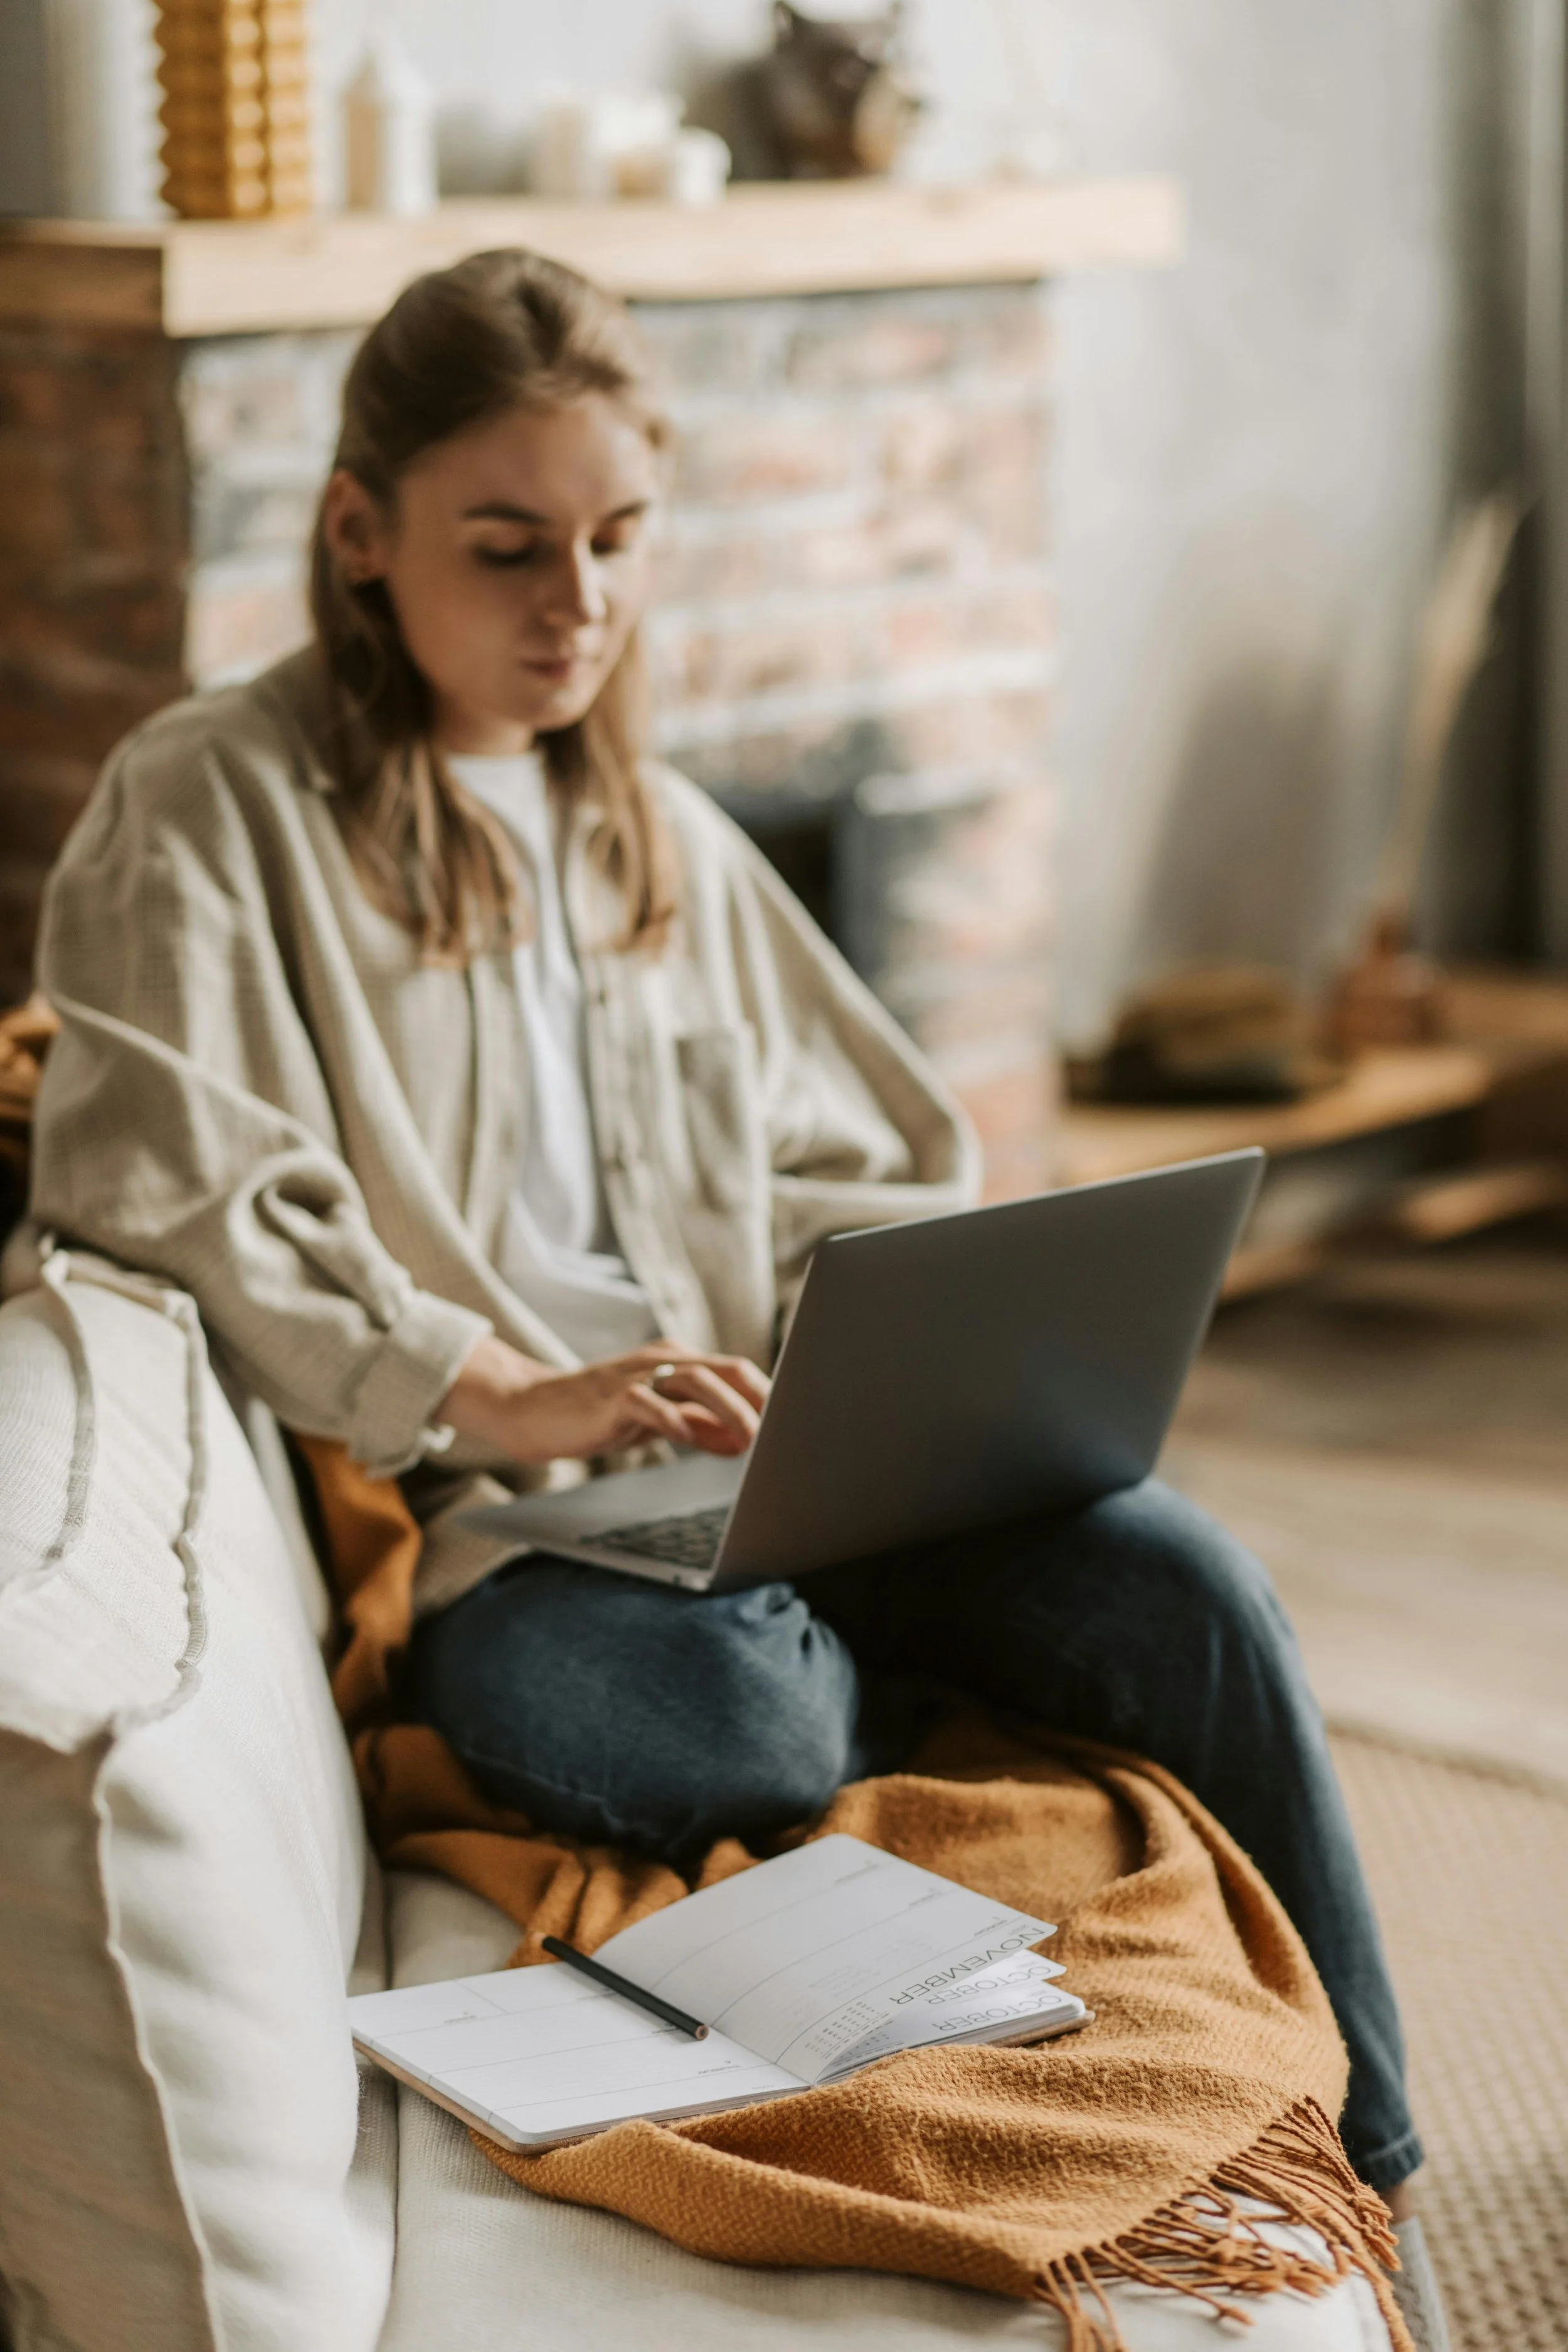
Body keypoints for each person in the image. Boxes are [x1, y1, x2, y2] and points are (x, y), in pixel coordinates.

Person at [24, 249, 1421, 2207]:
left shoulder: (659, 830)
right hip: (520, 1543)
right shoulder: (206, 807)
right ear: (359, 530)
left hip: (774, 1491)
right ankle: (838, 1666)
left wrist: (917, 1375)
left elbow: (868, 1155)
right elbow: (162, 1168)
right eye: (505, 545)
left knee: (1187, 1584)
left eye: (615, 538)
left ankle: (1367, 2162)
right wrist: (496, 1385)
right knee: (738, 1725)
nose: (574, 604)